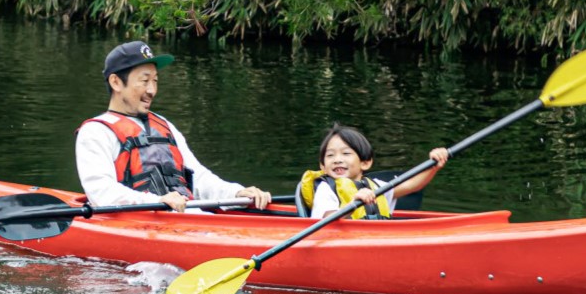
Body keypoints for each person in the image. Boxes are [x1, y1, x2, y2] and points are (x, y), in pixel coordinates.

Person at [76, 40, 271, 212]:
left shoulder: (164, 125)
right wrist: (157, 200)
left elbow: (198, 178)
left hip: (187, 218)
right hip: (142, 224)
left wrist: (236, 193)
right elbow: (102, 193)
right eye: (144, 81)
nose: (152, 90)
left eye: (155, 81)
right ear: (116, 82)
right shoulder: (95, 132)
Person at [298, 123, 448, 219]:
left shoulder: (376, 186)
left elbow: (412, 185)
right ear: (322, 166)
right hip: (340, 243)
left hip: (372, 238)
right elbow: (327, 220)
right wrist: (353, 204)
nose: (337, 159)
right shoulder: (326, 189)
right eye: (330, 155)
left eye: (346, 153)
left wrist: (434, 165)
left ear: (365, 162)